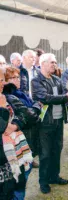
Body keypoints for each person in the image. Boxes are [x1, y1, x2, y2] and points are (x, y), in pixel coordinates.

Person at [31, 53, 68, 194]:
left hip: (58, 121)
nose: (55, 64)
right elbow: (45, 97)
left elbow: (66, 92)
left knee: (56, 150)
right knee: (45, 153)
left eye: (55, 62)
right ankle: (43, 181)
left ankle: (54, 177)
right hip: (45, 124)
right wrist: (64, 98)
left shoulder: (56, 79)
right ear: (42, 64)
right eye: (52, 62)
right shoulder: (36, 81)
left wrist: (64, 96)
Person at [0, 69, 33, 199]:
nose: (2, 83)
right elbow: (2, 126)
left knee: (16, 185)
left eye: (2, 80)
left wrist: (14, 126)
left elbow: (24, 115)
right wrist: (2, 108)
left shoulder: (6, 97)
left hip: (14, 152)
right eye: (0, 80)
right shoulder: (3, 100)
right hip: (4, 158)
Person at [3, 66, 41, 168]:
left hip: (29, 132)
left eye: (18, 77)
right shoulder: (9, 96)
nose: (18, 80)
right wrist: (37, 107)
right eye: (13, 78)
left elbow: (31, 109)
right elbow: (30, 115)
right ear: (5, 81)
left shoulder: (20, 93)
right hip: (22, 135)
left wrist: (34, 107)